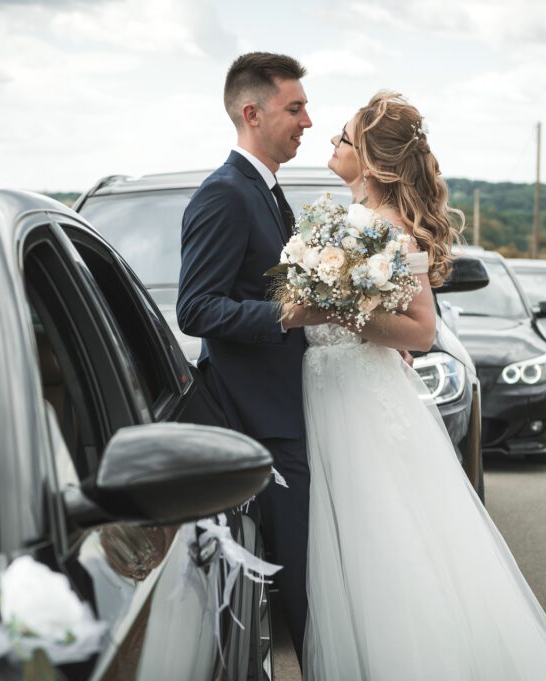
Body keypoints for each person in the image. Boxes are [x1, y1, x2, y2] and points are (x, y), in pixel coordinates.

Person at [302, 91, 546, 680]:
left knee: (383, 543)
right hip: (332, 390)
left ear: (374, 162)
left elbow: (422, 329)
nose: (332, 143)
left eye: (344, 138)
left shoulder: (384, 230)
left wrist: (332, 310)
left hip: (358, 399)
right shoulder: (347, 221)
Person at [176, 52, 325, 660]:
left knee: (303, 580)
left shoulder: (265, 191)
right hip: (258, 420)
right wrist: (289, 314)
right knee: (291, 587)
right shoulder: (225, 196)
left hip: (286, 409)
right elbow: (197, 309)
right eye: (295, 108)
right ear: (252, 112)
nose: (307, 121)